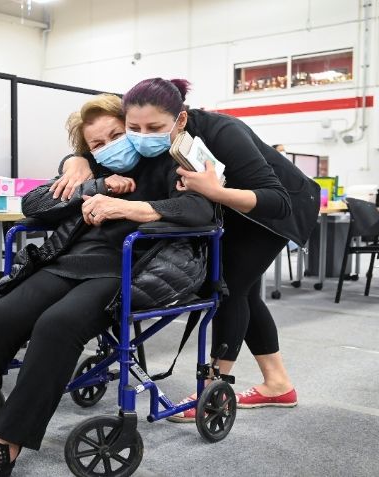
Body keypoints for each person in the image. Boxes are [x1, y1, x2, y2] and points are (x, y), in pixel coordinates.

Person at [0, 94, 214, 477]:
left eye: (118, 133)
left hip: (129, 268)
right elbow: (33, 205)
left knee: (57, 326)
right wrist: (92, 184)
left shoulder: (174, 162)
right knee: (2, 316)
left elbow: (202, 209)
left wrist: (128, 207)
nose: (112, 145)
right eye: (97, 143)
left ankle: (3, 446)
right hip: (67, 262)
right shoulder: (92, 167)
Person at [62, 78, 318, 417]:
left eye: (153, 127)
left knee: (229, 287)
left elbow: (277, 201)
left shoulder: (223, 131)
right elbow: (102, 144)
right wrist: (76, 159)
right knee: (246, 294)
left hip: (273, 210)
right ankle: (278, 385)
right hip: (227, 208)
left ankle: (213, 391)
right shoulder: (145, 133)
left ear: (180, 119)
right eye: (132, 128)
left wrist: (218, 193)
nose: (140, 136)